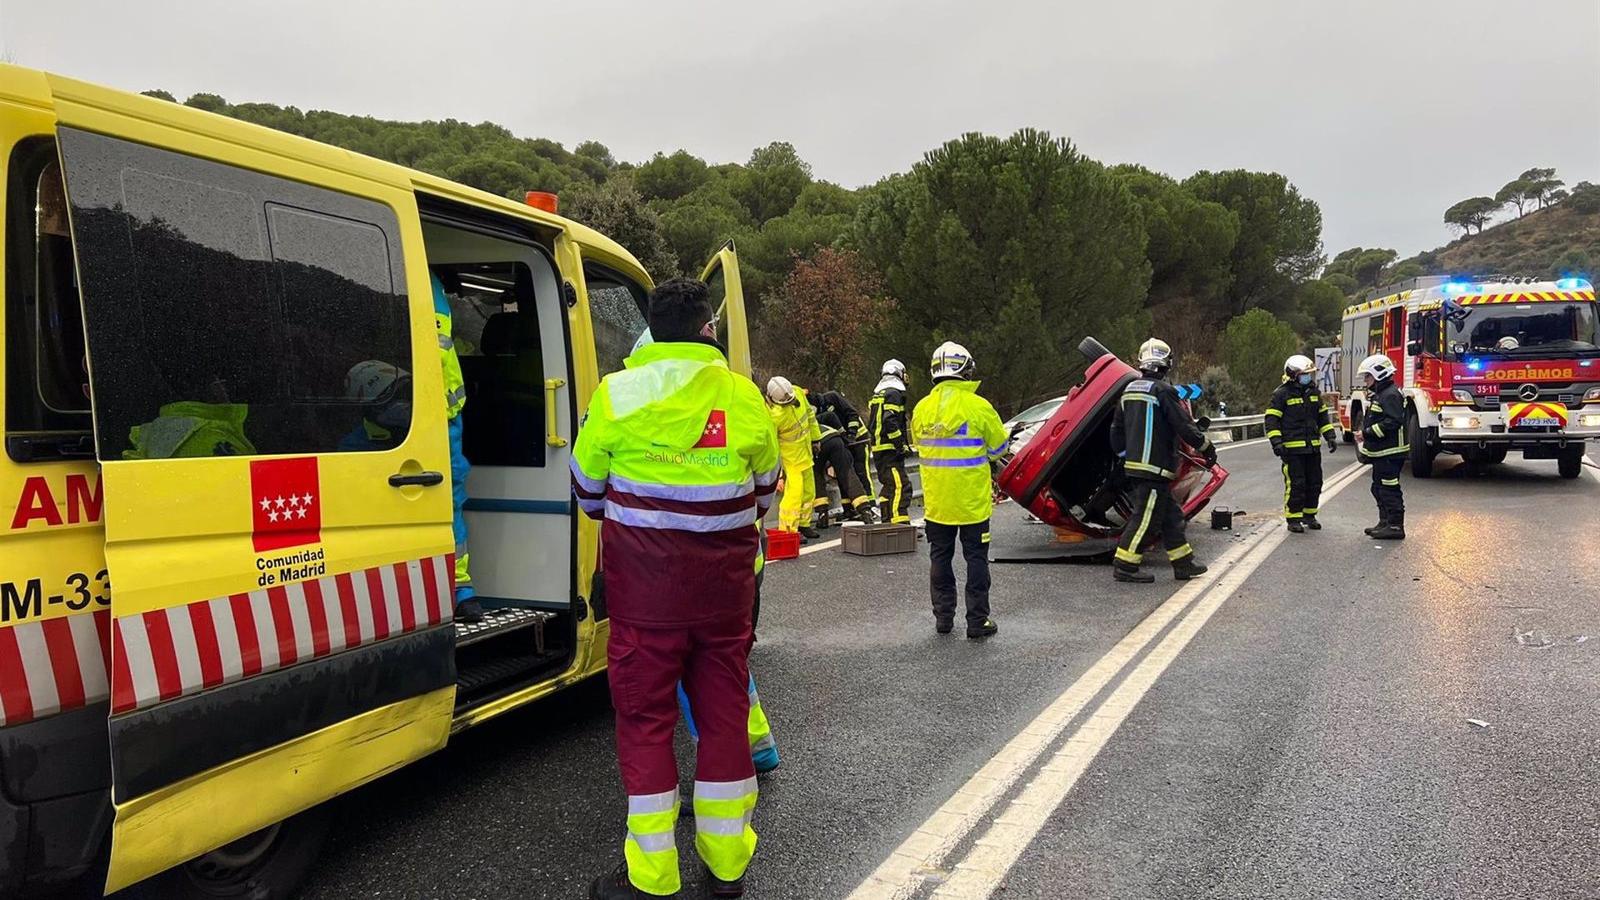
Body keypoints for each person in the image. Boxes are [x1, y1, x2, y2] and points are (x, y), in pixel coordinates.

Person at [572, 278, 780, 899]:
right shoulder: (742, 398)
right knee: (723, 719)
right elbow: (765, 494)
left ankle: (653, 877)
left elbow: (585, 493)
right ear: (707, 329)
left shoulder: (615, 395)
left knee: (645, 724)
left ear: (652, 331)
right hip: (723, 598)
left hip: (645, 600)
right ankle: (726, 868)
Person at [911, 341, 1007, 639]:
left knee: (940, 559)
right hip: (972, 504)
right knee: (976, 559)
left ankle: (943, 618)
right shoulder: (979, 406)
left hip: (937, 504)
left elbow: (918, 445)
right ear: (965, 370)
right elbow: (999, 448)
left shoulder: (921, 408)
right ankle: (978, 622)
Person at [1109, 338, 1217, 584]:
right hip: (1155, 468)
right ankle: (1125, 566)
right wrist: (1207, 448)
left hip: (1137, 467)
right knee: (1145, 518)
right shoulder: (1163, 391)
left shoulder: (1129, 390)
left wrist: (1127, 456)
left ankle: (1183, 564)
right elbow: (1185, 426)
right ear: (1166, 365)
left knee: (1171, 517)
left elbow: (1116, 431)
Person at [431, 271, 481, 623]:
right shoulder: (426, 281)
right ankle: (457, 590)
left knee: (450, 501)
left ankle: (459, 588)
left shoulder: (424, 279)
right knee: (448, 501)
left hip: (439, 415)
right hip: (427, 413)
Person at [1265, 354, 1339, 533]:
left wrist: (1330, 436)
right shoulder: (1281, 394)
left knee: (1315, 482)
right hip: (1292, 450)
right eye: (1305, 374)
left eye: (1310, 374)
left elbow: (1322, 417)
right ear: (1293, 375)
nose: (1309, 377)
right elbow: (1271, 420)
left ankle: (1309, 515)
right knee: (1296, 484)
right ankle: (1293, 518)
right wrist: (1277, 443)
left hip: (1312, 448)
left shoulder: (1313, 393)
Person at [1357, 353, 1408, 540]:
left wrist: (1367, 433)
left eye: (1367, 376)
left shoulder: (1390, 395)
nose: (1365, 380)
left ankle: (1395, 526)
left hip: (1391, 451)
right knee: (1377, 487)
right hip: (1382, 451)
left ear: (1378, 374)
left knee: (1388, 488)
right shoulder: (1382, 394)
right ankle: (1385, 522)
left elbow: (1393, 422)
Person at [766, 375, 822, 540]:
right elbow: (772, 445)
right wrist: (778, 472)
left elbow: (810, 417)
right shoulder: (774, 416)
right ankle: (789, 530)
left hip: (806, 455)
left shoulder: (797, 392)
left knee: (809, 492)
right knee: (793, 496)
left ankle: (804, 524)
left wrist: (816, 438)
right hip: (790, 461)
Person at [809, 392, 875, 527]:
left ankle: (871, 505)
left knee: (861, 472)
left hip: (858, 438)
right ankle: (855, 510)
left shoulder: (832, 398)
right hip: (838, 441)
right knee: (845, 474)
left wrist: (850, 434)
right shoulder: (812, 414)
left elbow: (851, 414)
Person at [869, 360, 914, 524]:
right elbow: (890, 421)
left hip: (880, 448)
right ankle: (900, 524)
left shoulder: (879, 393)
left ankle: (887, 522)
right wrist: (900, 445)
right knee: (901, 486)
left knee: (889, 487)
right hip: (889, 450)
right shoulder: (894, 393)